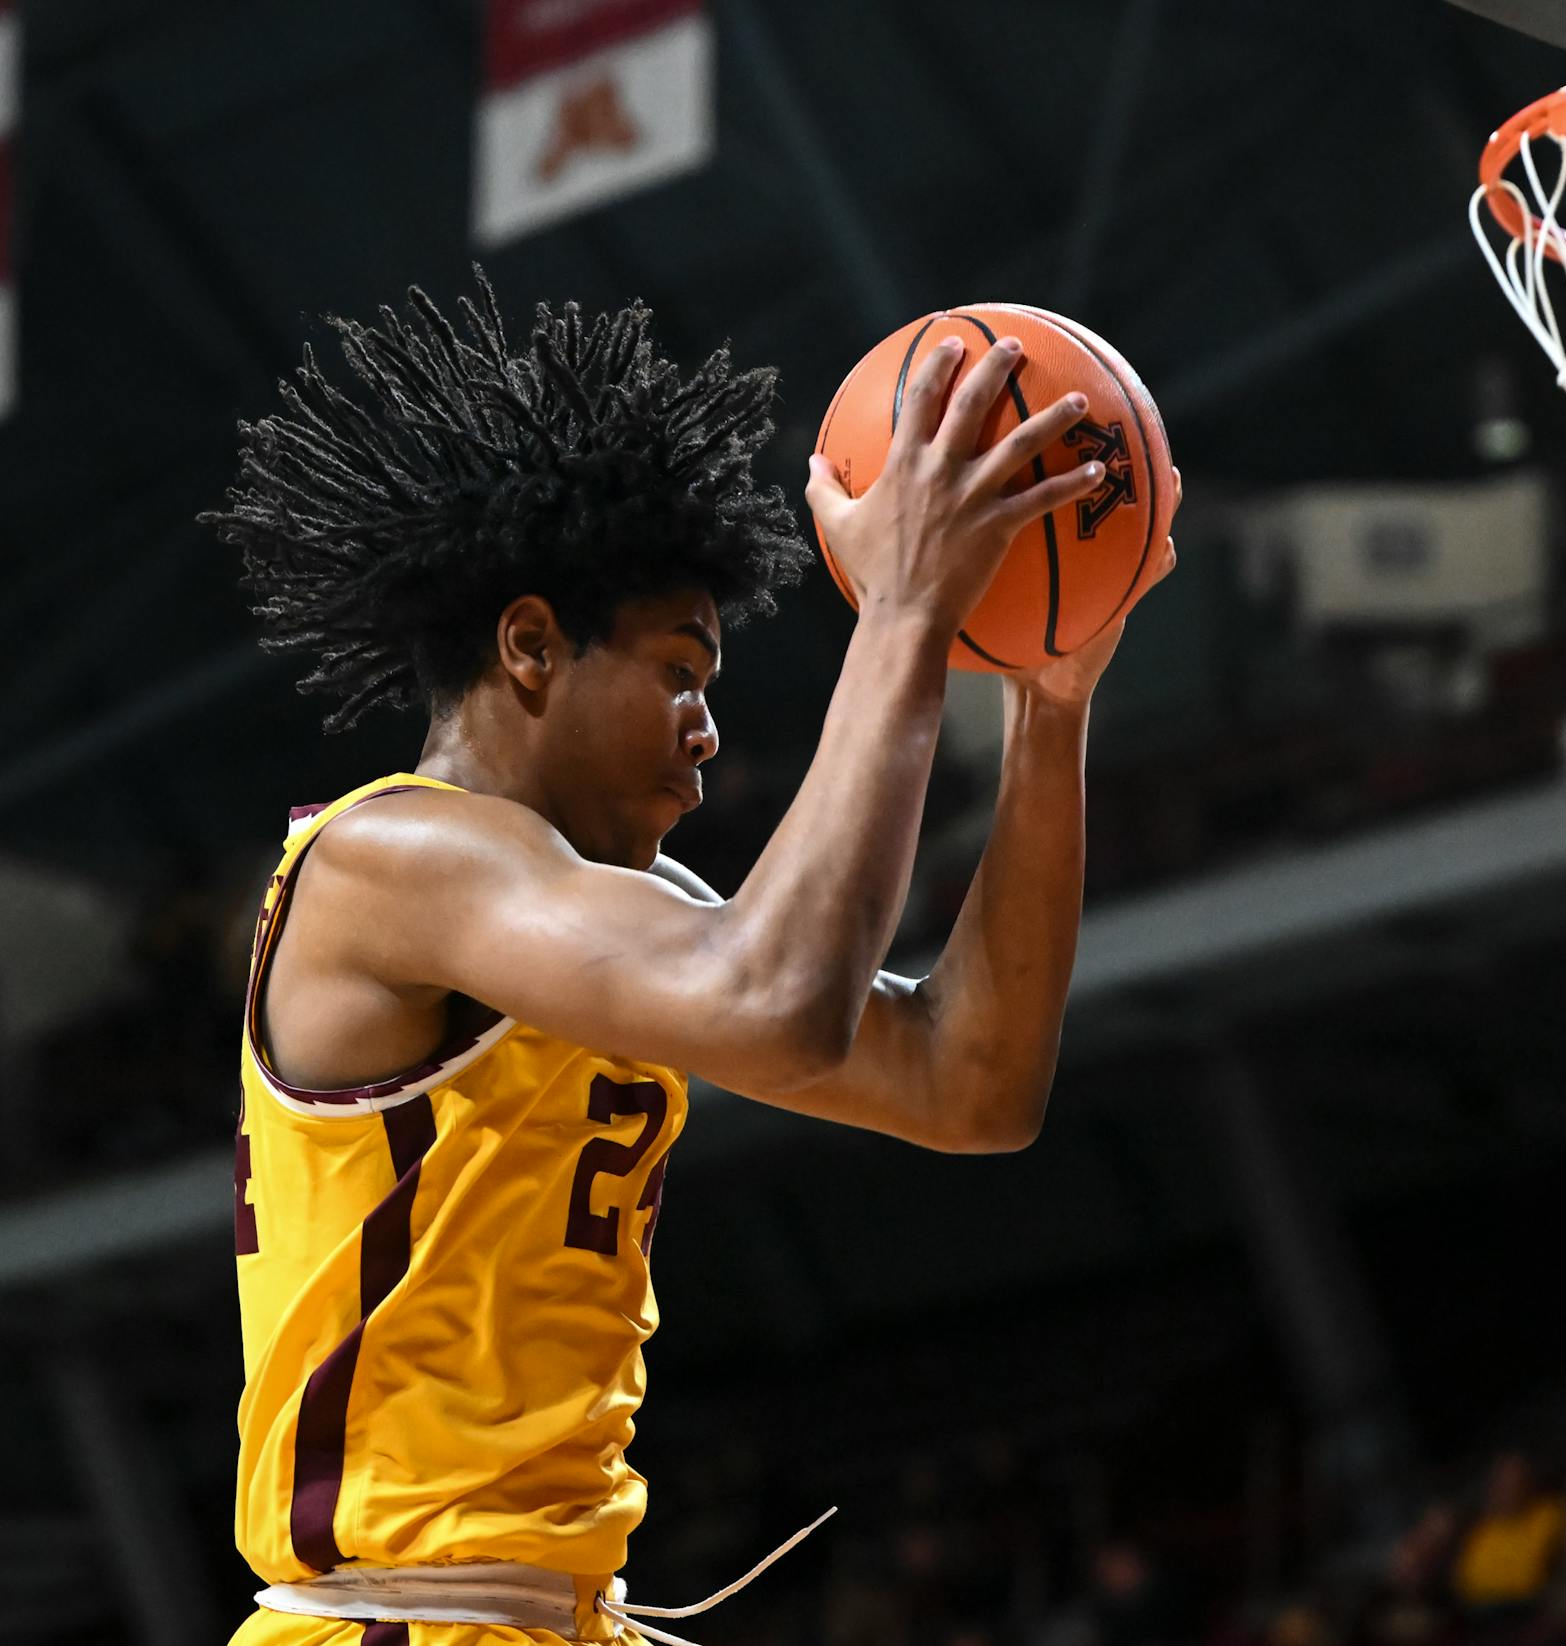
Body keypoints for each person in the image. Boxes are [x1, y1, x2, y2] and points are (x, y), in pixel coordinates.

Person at [198, 272, 1176, 1646]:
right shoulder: (388, 863)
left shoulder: (621, 910)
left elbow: (972, 1081)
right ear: (531, 646)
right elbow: (777, 1005)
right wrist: (903, 614)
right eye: (680, 672)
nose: (709, 729)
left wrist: (1046, 707)